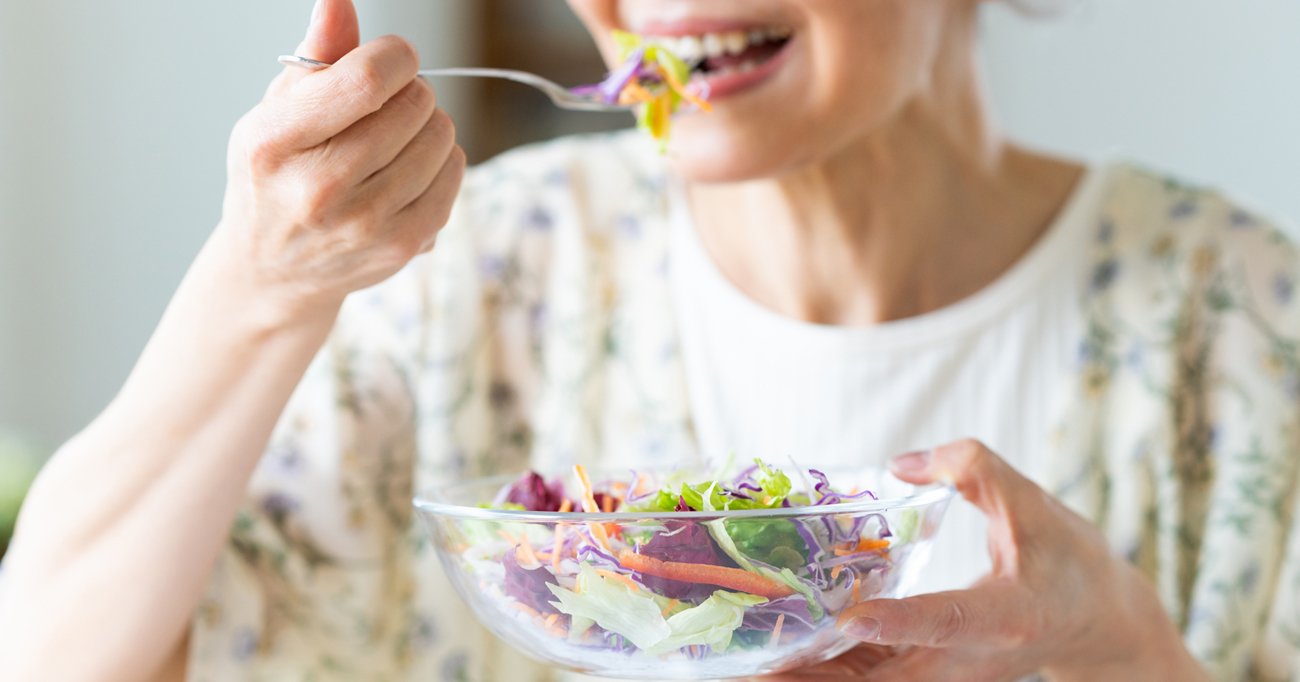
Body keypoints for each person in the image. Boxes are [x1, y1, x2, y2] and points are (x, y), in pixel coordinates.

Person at [1, 0, 1297, 679]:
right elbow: (50, 658)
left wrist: (1128, 650)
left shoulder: (1245, 334)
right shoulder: (481, 285)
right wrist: (259, 285)